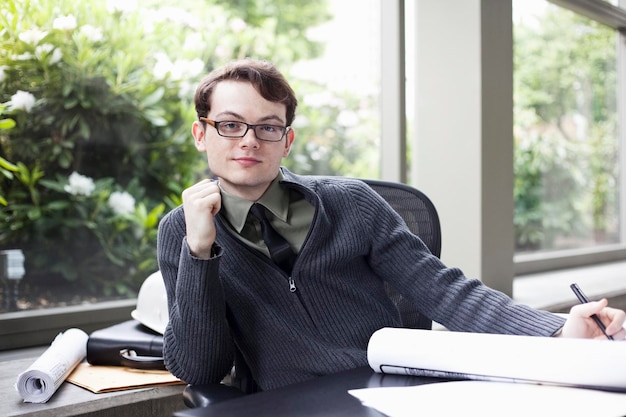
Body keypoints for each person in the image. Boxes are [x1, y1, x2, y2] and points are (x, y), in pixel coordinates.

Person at [157, 58, 626, 391]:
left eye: (268, 127)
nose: (249, 141)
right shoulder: (182, 230)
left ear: (287, 139)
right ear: (202, 134)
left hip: (391, 388)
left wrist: (556, 331)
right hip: (288, 402)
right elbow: (200, 369)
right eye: (230, 125)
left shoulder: (351, 203)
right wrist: (200, 253)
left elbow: (443, 289)